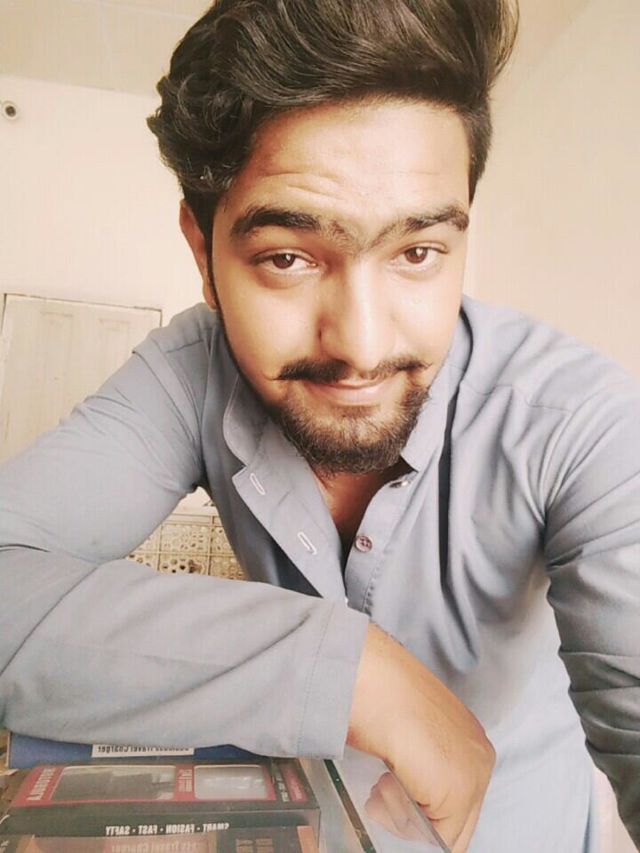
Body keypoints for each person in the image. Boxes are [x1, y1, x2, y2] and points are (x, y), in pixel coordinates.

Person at [0, 1, 638, 851]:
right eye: (288, 258)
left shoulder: (581, 422)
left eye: (417, 252)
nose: (362, 347)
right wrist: (342, 664)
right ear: (203, 251)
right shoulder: (191, 371)